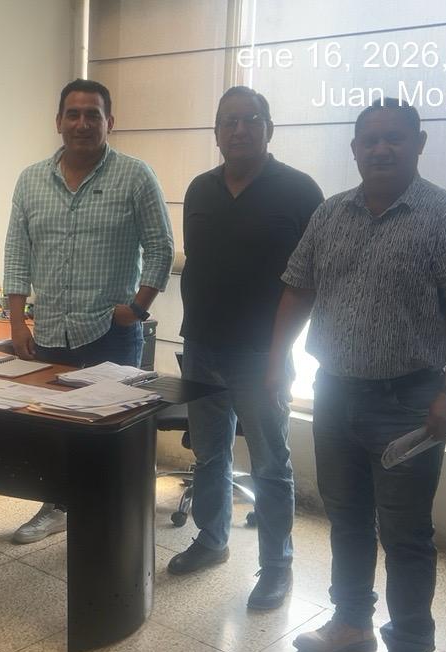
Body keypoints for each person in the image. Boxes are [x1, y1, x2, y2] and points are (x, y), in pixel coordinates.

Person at [268, 99, 446, 652]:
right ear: (355, 148)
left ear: (419, 144)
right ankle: (351, 622)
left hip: (410, 402)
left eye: (394, 138)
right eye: (370, 139)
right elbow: (298, 289)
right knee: (345, 519)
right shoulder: (329, 213)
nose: (381, 149)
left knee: (406, 535)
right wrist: (276, 358)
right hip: (335, 391)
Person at [170, 87, 323, 614]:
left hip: (264, 353)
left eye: (251, 119)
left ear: (269, 129)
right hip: (201, 345)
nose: (239, 129)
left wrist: (284, 354)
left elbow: (314, 277)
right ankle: (212, 540)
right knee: (209, 454)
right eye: (228, 121)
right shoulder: (200, 189)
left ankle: (277, 565)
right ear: (216, 132)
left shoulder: (300, 190)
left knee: (271, 462)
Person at [3, 78, 174, 543]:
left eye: (93, 115)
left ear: (109, 122)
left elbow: (161, 248)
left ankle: (111, 520)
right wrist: (18, 323)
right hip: (50, 330)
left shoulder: (135, 175)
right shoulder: (31, 179)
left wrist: (137, 309)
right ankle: (57, 505)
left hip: (110, 331)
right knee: (54, 427)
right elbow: (17, 253)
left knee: (111, 430)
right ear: (58, 121)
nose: (82, 123)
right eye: (73, 114)